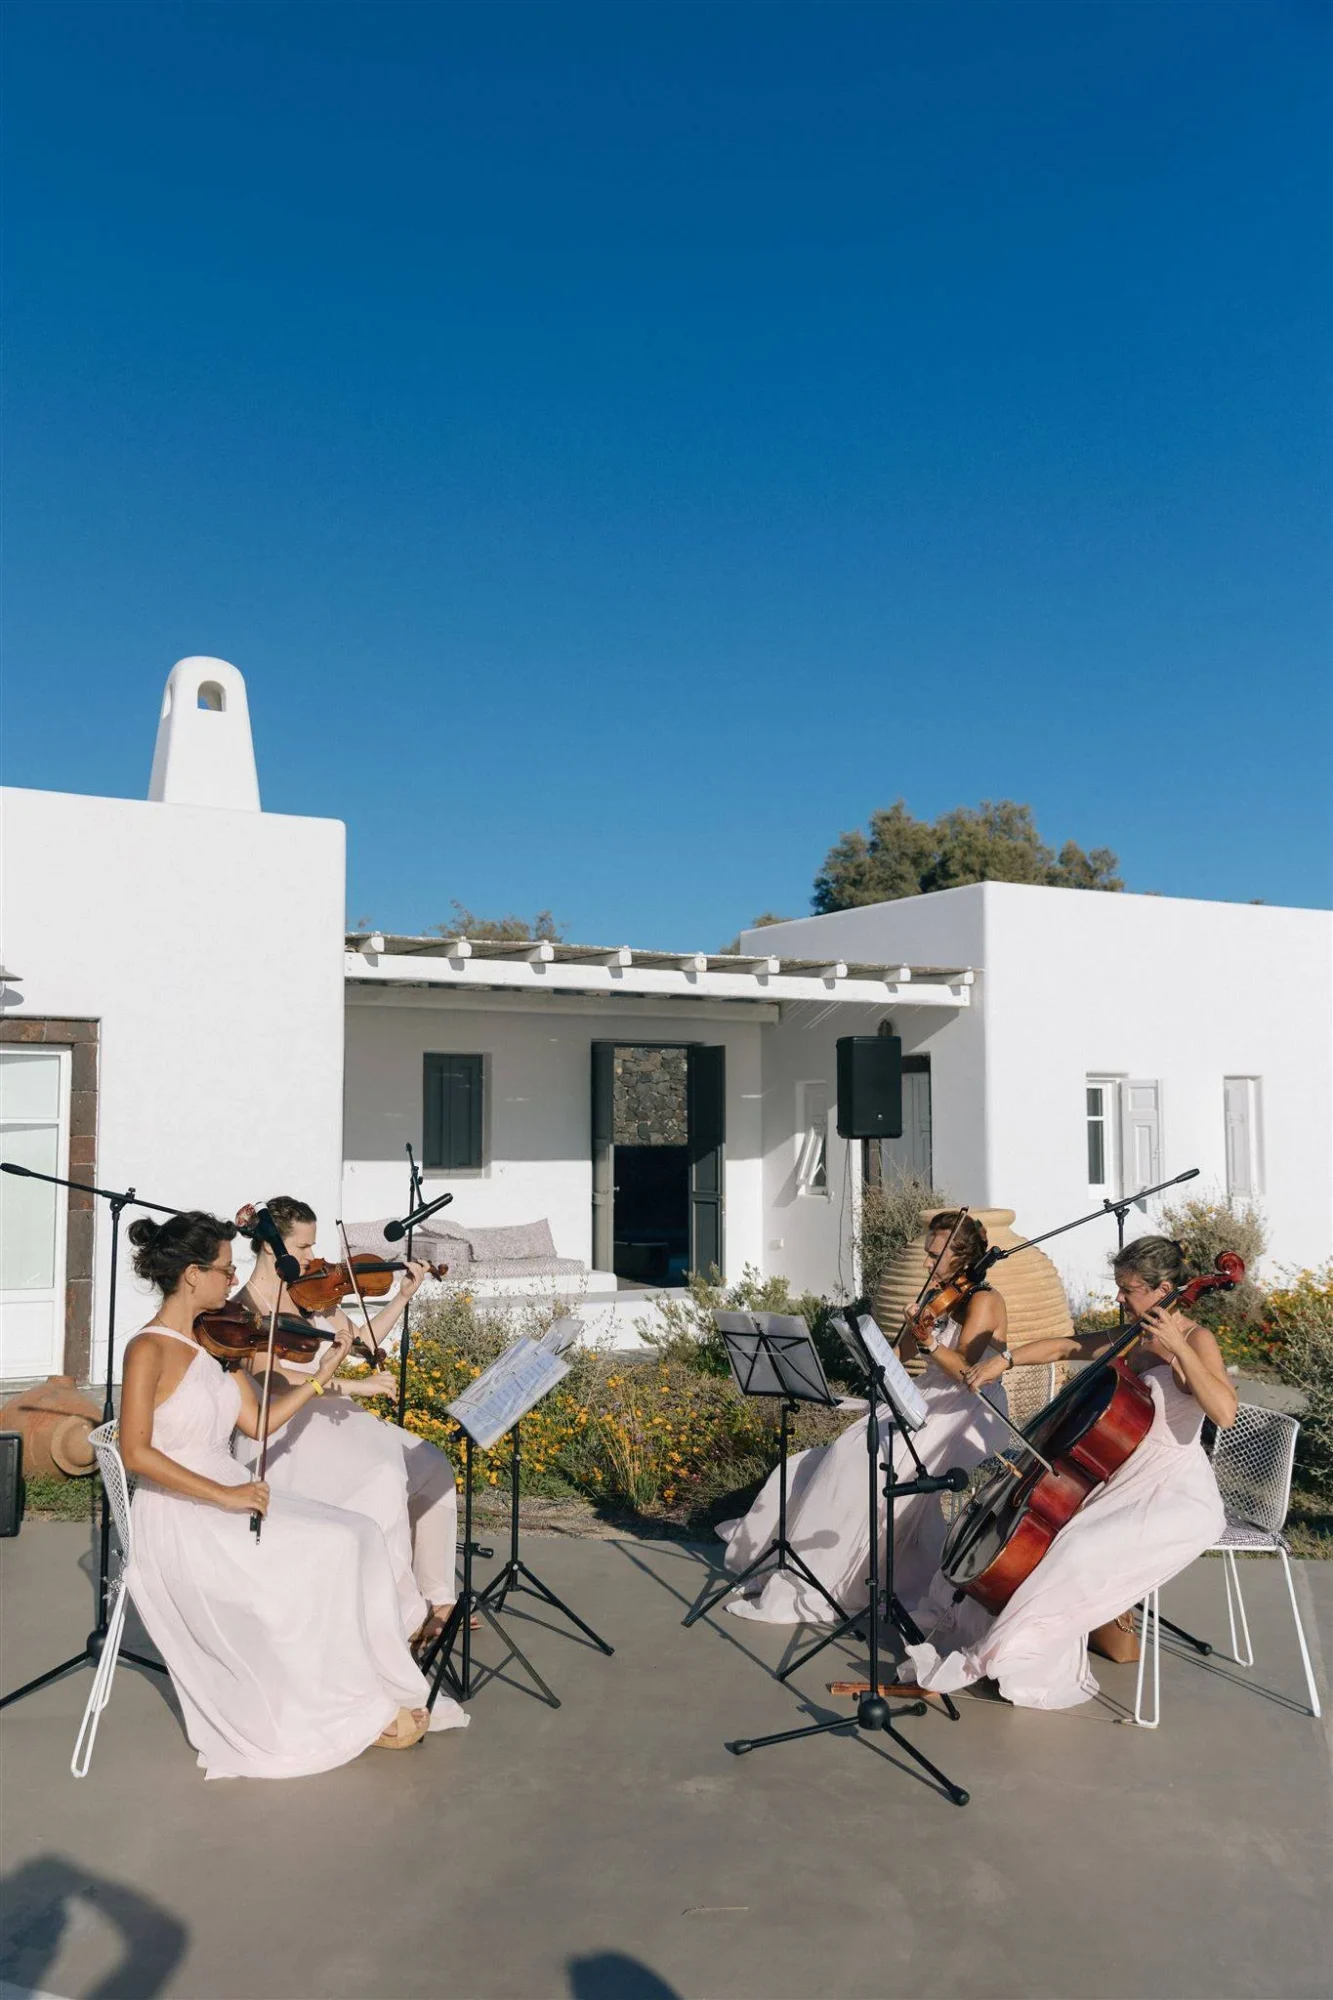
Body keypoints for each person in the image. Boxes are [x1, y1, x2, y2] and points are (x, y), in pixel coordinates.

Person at [119, 1212, 467, 1780]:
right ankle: (336, 1702)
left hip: (231, 1490)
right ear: (189, 1275)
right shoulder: (147, 1350)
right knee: (328, 1551)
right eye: (223, 1271)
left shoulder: (216, 1340)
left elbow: (259, 1422)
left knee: (356, 1533)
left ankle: (367, 1683)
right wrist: (224, 1497)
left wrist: (322, 1373)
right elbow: (136, 1454)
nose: (231, 1281)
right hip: (182, 1513)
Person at [897, 1235, 1236, 1710]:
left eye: (1129, 1289)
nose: (1119, 1298)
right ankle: (1024, 1639)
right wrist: (1005, 1360)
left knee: (1075, 1548)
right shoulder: (1132, 1334)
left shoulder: (1197, 1339)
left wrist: (1179, 1347)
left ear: (1162, 1289)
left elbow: (1223, 1412)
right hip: (1115, 1477)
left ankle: (1007, 1656)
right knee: (1040, 1540)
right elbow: (1062, 1346)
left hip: (1171, 1489)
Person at [716, 1213, 1014, 1624]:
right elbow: (901, 1356)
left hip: (968, 1408)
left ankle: (834, 1584)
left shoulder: (984, 1300)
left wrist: (928, 1343)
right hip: (925, 1396)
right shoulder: (941, 1295)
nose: (927, 1264)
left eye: (934, 1256)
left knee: (861, 1466)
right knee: (825, 1458)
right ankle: (788, 1567)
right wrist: (882, 1348)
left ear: (962, 1257)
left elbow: (964, 1369)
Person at [235, 1196, 461, 1655]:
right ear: (268, 1247)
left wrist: (402, 1295)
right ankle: (399, 1617)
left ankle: (438, 1600)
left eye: (312, 1247)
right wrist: (361, 1389)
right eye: (301, 1248)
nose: (311, 1258)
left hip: (336, 1421)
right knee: (383, 1476)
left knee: (433, 1466)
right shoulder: (246, 1309)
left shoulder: (311, 1293)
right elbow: (273, 1381)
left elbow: (362, 1342)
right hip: (285, 1433)